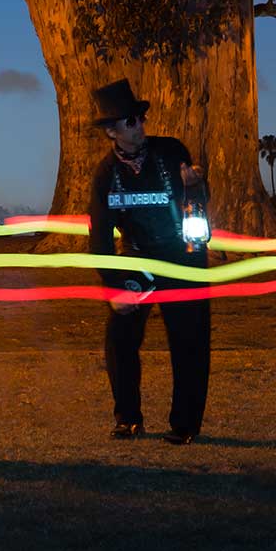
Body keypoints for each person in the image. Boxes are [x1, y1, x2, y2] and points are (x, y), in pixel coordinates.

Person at [86, 78, 211, 445]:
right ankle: (128, 419)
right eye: (129, 122)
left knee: (189, 339)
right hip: (137, 258)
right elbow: (100, 236)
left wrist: (196, 187)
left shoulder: (172, 152)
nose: (139, 127)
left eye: (139, 119)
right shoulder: (106, 175)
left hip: (181, 256)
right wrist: (113, 286)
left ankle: (185, 425)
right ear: (112, 132)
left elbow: (197, 205)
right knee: (120, 337)